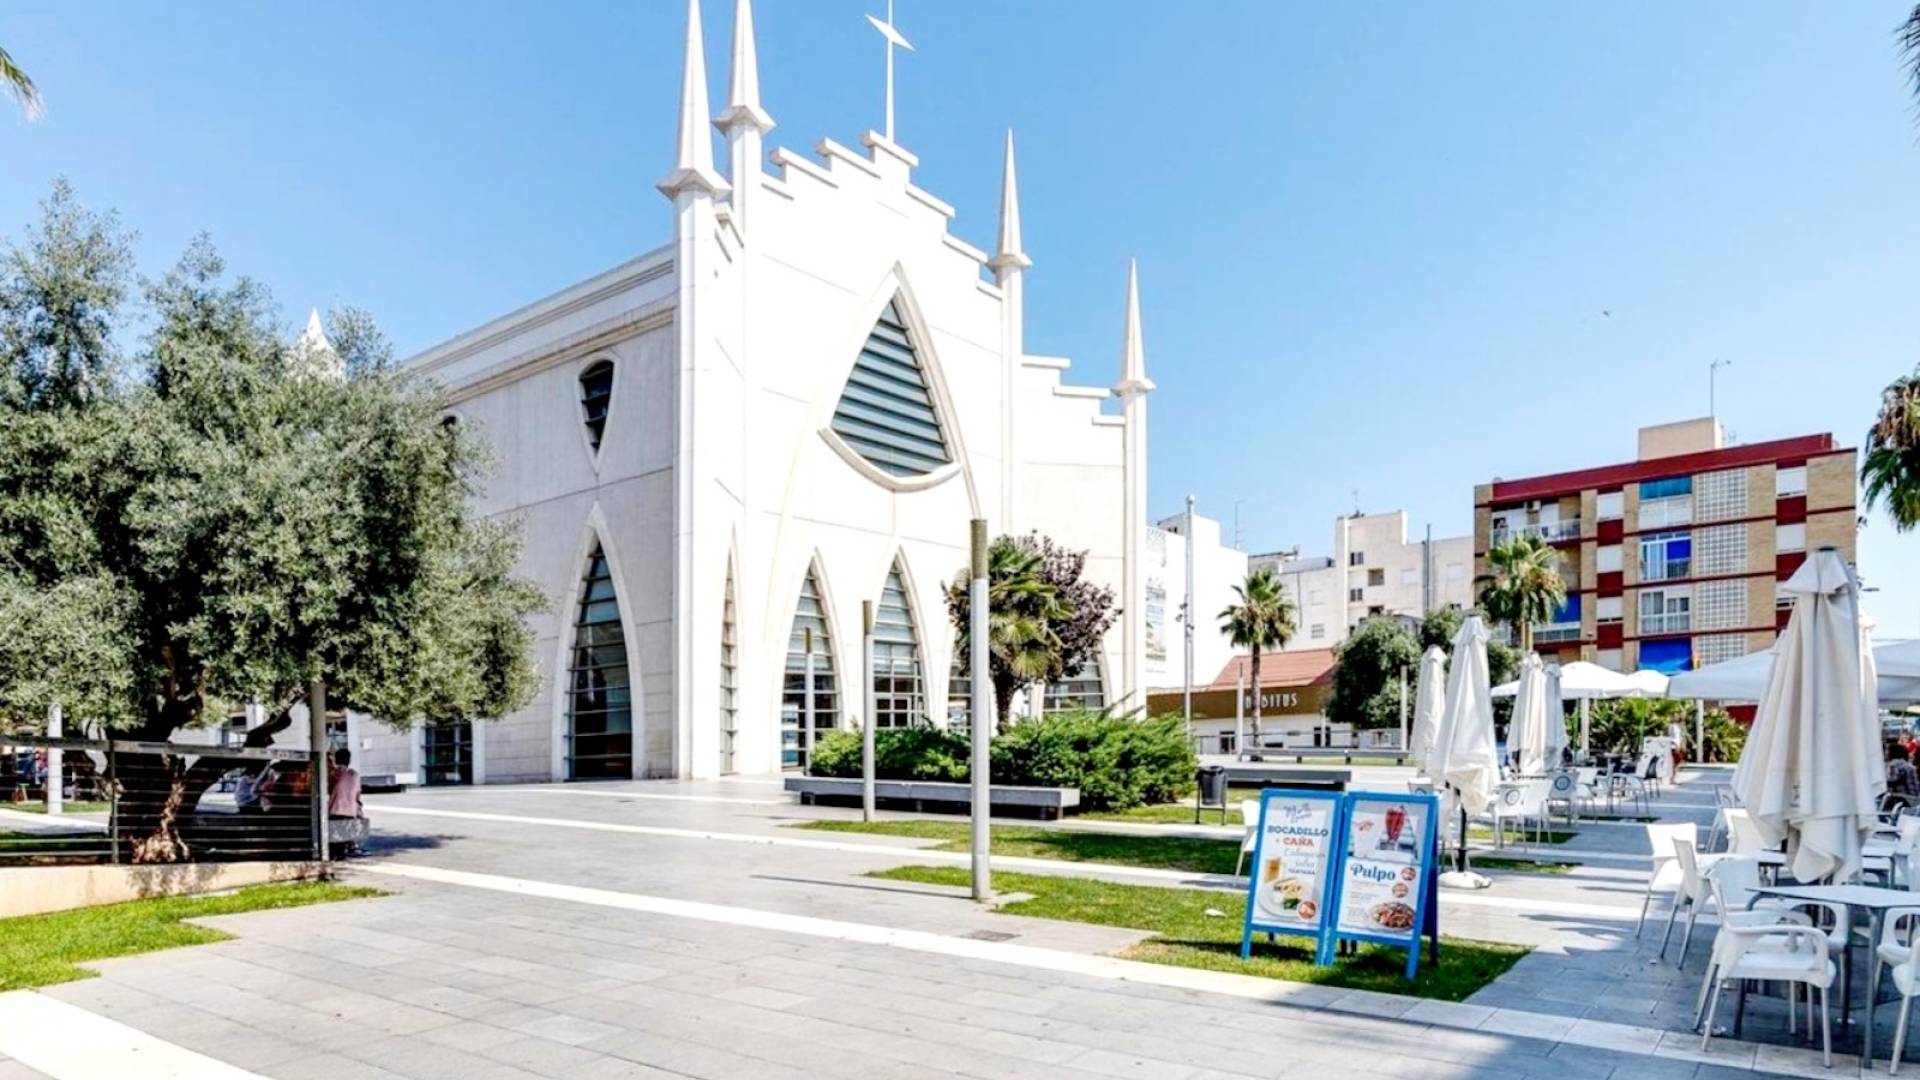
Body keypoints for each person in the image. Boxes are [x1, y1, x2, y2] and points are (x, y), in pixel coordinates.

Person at [327, 748, 368, 855]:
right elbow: (357, 795)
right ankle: (348, 847)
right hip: (351, 811)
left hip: (335, 810)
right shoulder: (355, 775)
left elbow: (328, 789)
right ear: (349, 760)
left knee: (334, 840)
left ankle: (337, 854)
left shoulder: (334, 773)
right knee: (344, 835)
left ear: (336, 759)